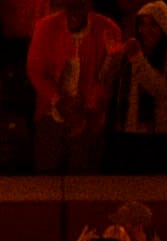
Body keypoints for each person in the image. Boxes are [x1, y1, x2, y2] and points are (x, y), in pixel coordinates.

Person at [27, 0, 127, 171]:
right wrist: (58, 100)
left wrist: (87, 108)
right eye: (70, 5)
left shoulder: (108, 29)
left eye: (79, 5)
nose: (74, 10)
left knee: (83, 179)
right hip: (50, 115)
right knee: (47, 177)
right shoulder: (45, 27)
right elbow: (35, 70)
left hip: (90, 120)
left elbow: (109, 77)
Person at [110, 1, 167, 169]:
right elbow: (110, 82)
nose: (145, 30)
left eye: (153, 25)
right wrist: (112, 56)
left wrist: (138, 60)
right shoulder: (135, 50)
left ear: (165, 25)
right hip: (132, 134)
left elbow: (165, 91)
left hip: (166, 136)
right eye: (142, 24)